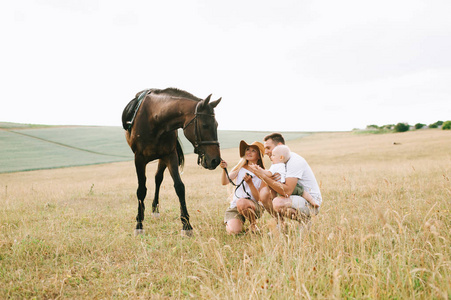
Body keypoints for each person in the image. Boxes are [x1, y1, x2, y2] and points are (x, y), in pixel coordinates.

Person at [249, 133, 322, 226]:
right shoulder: (278, 161)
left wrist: (263, 176)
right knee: (265, 193)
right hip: (295, 196)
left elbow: (287, 191)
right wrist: (261, 172)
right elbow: (269, 184)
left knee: (277, 203)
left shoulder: (294, 161)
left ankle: (305, 221)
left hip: (310, 202)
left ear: (279, 146)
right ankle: (281, 225)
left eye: (268, 148)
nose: (265, 152)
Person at [220, 140, 267, 234]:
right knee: (234, 231)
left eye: (253, 151)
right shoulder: (240, 167)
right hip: (236, 206)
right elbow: (225, 182)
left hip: (254, 206)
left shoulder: (263, 173)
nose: (249, 152)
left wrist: (250, 184)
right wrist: (224, 169)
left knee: (241, 202)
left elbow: (259, 198)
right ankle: (233, 222)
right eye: (247, 149)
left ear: (259, 155)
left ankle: (253, 224)